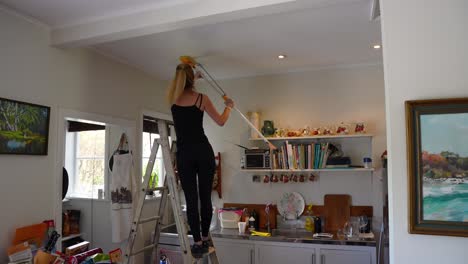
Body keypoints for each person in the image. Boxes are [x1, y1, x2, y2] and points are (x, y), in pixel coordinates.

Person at [167, 63, 234, 257]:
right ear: (190, 79)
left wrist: (192, 77)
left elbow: (181, 86)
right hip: (203, 152)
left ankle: (196, 242)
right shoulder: (201, 99)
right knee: (205, 198)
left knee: (190, 200)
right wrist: (228, 106)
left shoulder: (172, 99)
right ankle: (205, 239)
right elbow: (221, 121)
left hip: (184, 154)